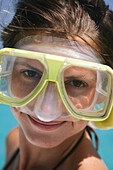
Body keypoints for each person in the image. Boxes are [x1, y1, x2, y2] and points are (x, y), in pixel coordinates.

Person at [1, 0, 113, 169]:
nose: (46, 111)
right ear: (7, 72)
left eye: (76, 83)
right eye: (31, 73)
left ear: (102, 93)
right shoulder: (13, 140)